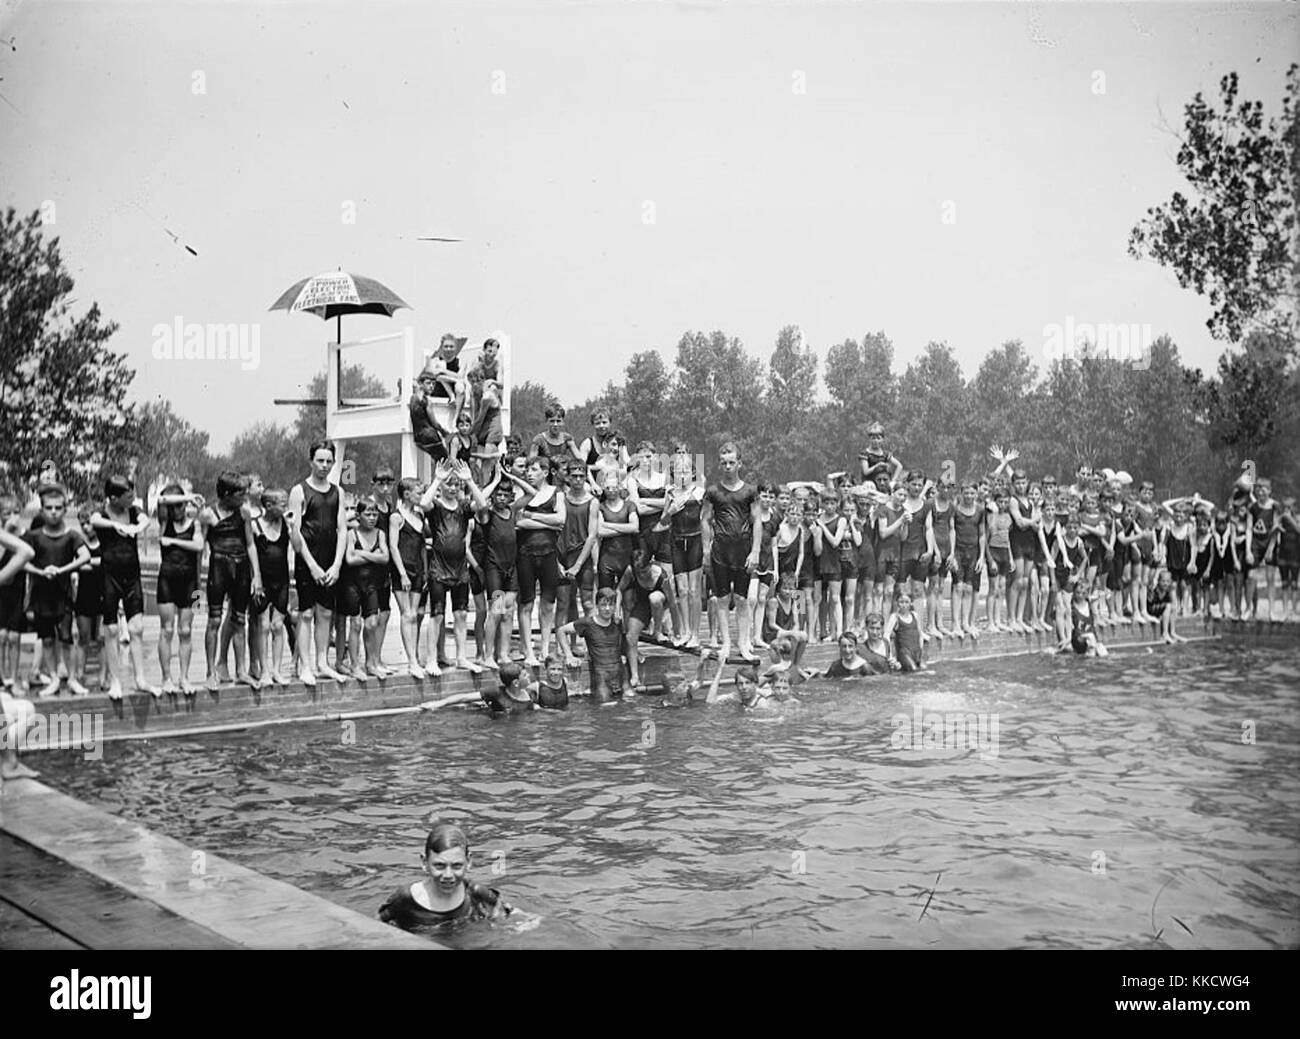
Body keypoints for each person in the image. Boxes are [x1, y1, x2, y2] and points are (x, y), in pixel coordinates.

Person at [89, 476, 159, 698]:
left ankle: (140, 679)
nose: (133, 498)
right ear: (113, 498)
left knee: (137, 627)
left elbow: (146, 520)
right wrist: (117, 525)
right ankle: (115, 681)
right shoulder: (102, 514)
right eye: (128, 496)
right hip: (109, 576)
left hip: (132, 575)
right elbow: (94, 521)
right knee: (110, 630)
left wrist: (136, 527)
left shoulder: (134, 511)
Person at [378, 821, 512, 933]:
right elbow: (373, 929)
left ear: (469, 861)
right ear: (425, 863)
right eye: (440, 866)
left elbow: (510, 919)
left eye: (457, 866)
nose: (448, 875)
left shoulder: (476, 894)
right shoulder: (404, 900)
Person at [288, 440, 348, 686]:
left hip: (330, 561)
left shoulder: (338, 492)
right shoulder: (299, 491)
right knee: (305, 614)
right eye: (320, 461)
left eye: (329, 461)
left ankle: (322, 663)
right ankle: (305, 665)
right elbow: (295, 533)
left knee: (325, 613)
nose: (324, 466)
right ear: (311, 461)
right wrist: (312, 565)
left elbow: (342, 530)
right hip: (307, 561)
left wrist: (335, 565)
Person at [421, 460, 489, 674]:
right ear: (442, 487)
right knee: (437, 616)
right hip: (439, 570)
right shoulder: (436, 507)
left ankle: (461, 657)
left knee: (460, 615)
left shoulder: (463, 508)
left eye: (456, 485)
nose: (452, 488)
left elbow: (483, 505)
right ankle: (431, 659)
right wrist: (437, 479)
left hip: (460, 570)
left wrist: (469, 480)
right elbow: (423, 503)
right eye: (448, 484)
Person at [198, 471, 260, 691]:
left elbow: (251, 544)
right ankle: (210, 672)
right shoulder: (208, 514)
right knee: (214, 621)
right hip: (218, 569)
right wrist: (197, 586)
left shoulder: (244, 513)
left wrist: (257, 577)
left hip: (241, 569)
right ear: (226, 494)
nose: (244, 496)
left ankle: (241, 670)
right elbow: (200, 550)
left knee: (239, 621)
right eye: (240, 493)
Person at [702, 442, 764, 661]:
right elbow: (706, 521)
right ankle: (726, 643)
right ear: (720, 465)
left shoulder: (750, 491)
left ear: (739, 463)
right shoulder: (713, 492)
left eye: (731, 462)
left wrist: (755, 551)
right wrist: (706, 551)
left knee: (741, 599)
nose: (728, 466)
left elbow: (757, 521)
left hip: (743, 550)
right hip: (720, 550)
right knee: (721, 599)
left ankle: (743, 643)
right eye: (724, 463)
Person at [154, 483, 204, 694]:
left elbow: (199, 546)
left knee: (185, 631)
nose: (176, 511)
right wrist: (184, 498)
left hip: (190, 584)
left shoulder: (196, 524)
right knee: (166, 630)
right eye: (172, 507)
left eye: (180, 506)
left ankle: (184, 678)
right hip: (167, 581)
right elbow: (160, 501)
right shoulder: (164, 522)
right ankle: (167, 678)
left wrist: (172, 541)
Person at [339, 496, 391, 679]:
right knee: (355, 624)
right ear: (358, 515)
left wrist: (361, 553)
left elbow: (385, 558)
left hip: (371, 585)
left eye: (375, 514)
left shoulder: (380, 534)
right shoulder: (352, 534)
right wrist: (370, 554)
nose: (372, 517)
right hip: (352, 585)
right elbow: (350, 559)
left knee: (372, 623)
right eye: (368, 514)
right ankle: (354, 666)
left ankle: (371, 663)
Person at [556, 460, 600, 665]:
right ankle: (568, 645)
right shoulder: (561, 498)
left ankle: (593, 644)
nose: (578, 479)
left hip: (583, 557)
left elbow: (592, 536)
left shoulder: (592, 501)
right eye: (574, 475)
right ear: (568, 477)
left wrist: (578, 565)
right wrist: (559, 562)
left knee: (588, 602)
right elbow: (555, 530)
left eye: (581, 476)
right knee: (565, 603)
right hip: (563, 555)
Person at [618, 548, 679, 690]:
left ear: (650, 564)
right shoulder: (630, 571)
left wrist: (677, 632)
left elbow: (672, 603)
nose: (642, 575)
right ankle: (634, 675)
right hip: (643, 604)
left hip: (660, 603)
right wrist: (616, 610)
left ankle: (657, 631)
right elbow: (619, 590)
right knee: (631, 636)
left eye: (645, 571)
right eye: (639, 573)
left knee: (655, 598)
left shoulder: (661, 575)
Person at [251, 489, 292, 686]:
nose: (286, 508)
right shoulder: (255, 525)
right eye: (282, 505)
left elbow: (299, 547)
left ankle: (276, 669)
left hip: (282, 581)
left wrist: (293, 528)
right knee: (263, 626)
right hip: (263, 583)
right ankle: (264, 670)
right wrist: (256, 579)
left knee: (277, 626)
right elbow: (251, 555)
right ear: (268, 506)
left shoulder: (286, 524)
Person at [666, 449, 706, 649]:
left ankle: (696, 634)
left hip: (694, 541)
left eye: (685, 472)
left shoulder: (699, 492)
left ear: (692, 474)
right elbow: (664, 520)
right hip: (677, 541)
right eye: (678, 472)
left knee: (693, 590)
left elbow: (707, 520)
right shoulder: (670, 492)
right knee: (681, 590)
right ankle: (685, 631)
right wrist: (670, 511)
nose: (682, 476)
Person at [558, 587, 627, 702]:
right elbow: (561, 631)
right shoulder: (587, 623)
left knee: (630, 702)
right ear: (597, 606)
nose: (607, 609)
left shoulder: (617, 622)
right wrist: (569, 655)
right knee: (605, 706)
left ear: (615, 606)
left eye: (610, 605)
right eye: (603, 605)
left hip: (620, 673)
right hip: (601, 675)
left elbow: (623, 641)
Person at [530, 403, 583, 469]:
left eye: (558, 421)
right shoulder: (539, 440)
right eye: (552, 421)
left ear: (562, 422)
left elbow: (580, 459)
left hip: (561, 473)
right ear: (547, 421)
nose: (555, 424)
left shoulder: (567, 439)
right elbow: (531, 463)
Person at [883, 590, 924, 672]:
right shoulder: (895, 617)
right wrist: (890, 656)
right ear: (897, 603)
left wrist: (921, 650)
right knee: (914, 671)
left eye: (906, 602)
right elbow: (886, 636)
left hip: (916, 651)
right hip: (904, 653)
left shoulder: (914, 615)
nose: (904, 605)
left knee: (925, 670)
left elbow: (920, 633)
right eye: (901, 602)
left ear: (911, 603)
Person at [1068, 580, 1109, 657]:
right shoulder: (1071, 607)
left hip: (1091, 637)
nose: (1080, 596)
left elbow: (1095, 623)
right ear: (1074, 592)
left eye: (1083, 593)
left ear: (1087, 594)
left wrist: (1099, 640)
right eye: (1078, 593)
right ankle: (1089, 659)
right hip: (1079, 638)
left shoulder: (1090, 605)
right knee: (1091, 638)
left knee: (1101, 649)